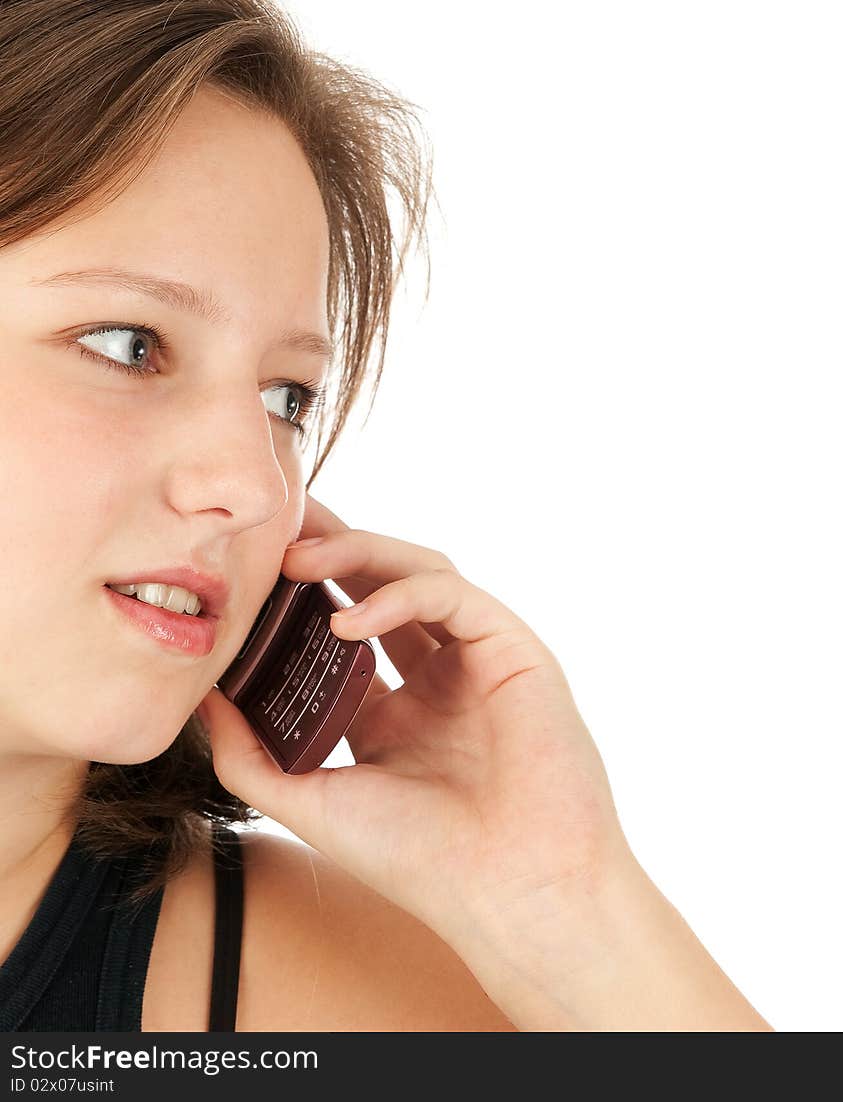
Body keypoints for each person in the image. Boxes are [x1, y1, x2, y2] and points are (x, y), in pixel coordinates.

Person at [0, 0, 772, 1032]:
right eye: (131, 344)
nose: (256, 486)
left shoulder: (326, 997)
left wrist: (562, 910)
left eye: (286, 400)